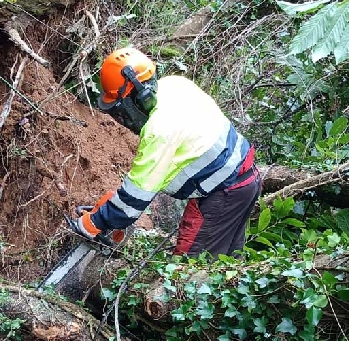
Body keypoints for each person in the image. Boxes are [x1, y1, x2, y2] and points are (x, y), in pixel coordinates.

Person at [71, 47, 261, 257]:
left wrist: (95, 222)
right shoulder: (175, 85)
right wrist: (113, 206)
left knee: (188, 270)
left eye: (122, 107)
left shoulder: (159, 130)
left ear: (139, 97)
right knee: (224, 262)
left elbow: (137, 197)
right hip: (244, 179)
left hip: (224, 193)